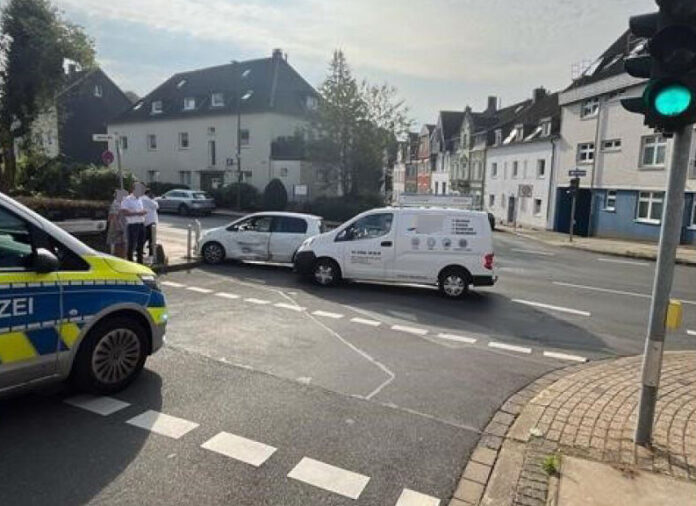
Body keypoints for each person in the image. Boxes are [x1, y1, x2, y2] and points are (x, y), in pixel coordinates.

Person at [121, 182, 147, 263]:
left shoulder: (140, 199)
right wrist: (138, 213)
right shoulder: (127, 199)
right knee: (132, 244)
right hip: (133, 225)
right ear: (133, 189)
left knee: (141, 243)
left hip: (141, 223)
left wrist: (142, 212)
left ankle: (140, 261)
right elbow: (124, 212)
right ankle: (130, 260)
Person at [107, 189, 128, 258]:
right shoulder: (116, 203)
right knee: (118, 243)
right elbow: (113, 217)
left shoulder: (122, 203)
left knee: (123, 243)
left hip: (123, 225)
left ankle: (123, 257)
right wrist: (118, 228)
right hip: (118, 226)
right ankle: (120, 257)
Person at [141, 189, 159, 259]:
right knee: (151, 238)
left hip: (146, 221)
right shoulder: (146, 199)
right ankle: (151, 253)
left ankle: (140, 250)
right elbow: (156, 206)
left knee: (146, 237)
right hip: (151, 221)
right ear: (149, 193)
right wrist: (153, 200)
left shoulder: (141, 199)